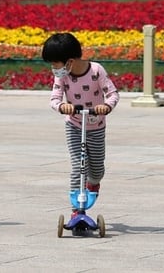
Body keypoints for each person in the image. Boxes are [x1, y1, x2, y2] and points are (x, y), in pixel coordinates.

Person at [45, 32, 119, 216]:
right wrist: (62, 106)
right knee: (78, 166)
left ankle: (93, 183)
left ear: (70, 61)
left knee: (96, 169)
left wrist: (106, 106)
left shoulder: (96, 71)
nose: (54, 68)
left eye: (55, 64)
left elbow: (113, 94)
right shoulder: (62, 76)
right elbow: (54, 99)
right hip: (74, 125)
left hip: (96, 126)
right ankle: (77, 209)